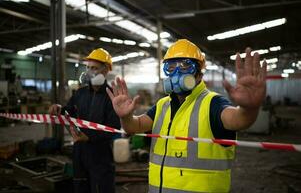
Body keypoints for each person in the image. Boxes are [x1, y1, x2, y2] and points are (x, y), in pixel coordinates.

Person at [106, 39, 267, 193]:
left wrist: (249, 108)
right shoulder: (163, 105)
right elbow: (135, 126)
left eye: (185, 66)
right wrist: (126, 117)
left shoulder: (213, 103)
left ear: (199, 75)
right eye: (171, 67)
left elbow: (239, 120)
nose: (176, 73)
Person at [49, 48, 121, 193]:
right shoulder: (80, 93)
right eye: (87, 67)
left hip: (100, 155)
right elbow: (70, 111)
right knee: (80, 187)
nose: (89, 72)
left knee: (102, 188)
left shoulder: (112, 96)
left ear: (106, 70)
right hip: (79, 153)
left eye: (94, 68)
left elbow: (114, 128)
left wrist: (90, 137)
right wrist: (59, 109)